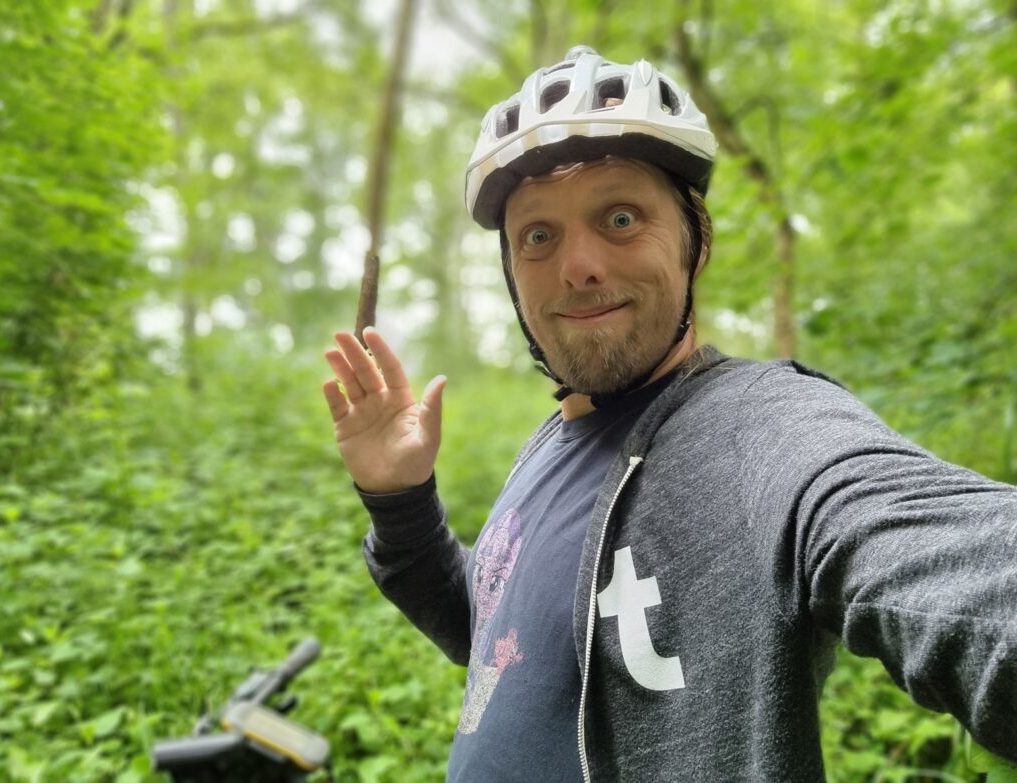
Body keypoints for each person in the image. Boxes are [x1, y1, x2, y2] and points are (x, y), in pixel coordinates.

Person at [322, 46, 1017, 781]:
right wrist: (400, 501)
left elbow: (927, 548)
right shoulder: (548, 444)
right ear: (511, 277)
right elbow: (488, 634)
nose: (578, 265)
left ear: (696, 243)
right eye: (538, 236)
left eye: (620, 217)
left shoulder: (761, 424)